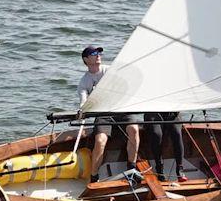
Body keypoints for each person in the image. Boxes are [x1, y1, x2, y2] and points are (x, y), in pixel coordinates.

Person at [77, 45, 140, 184]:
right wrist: (82, 110)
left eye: (99, 52)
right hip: (103, 114)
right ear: (86, 59)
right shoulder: (84, 81)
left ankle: (132, 168)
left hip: (121, 109)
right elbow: (83, 101)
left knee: (134, 129)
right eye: (94, 53)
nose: (98, 54)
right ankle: (94, 176)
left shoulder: (110, 71)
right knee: (100, 141)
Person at [143, 112, 187, 182]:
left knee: (177, 133)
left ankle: (180, 169)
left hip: (172, 112)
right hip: (153, 113)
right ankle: (159, 170)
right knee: (156, 134)